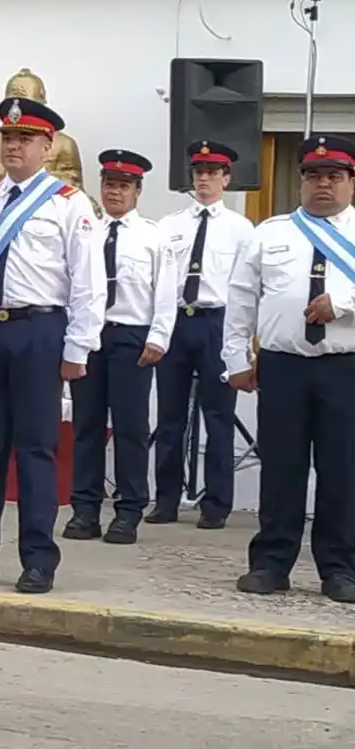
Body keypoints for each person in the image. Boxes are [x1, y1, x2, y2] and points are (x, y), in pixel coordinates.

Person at [0, 97, 103, 595]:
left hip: (39, 331)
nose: (13, 146)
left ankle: (37, 559)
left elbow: (88, 283)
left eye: (25, 139)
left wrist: (79, 348)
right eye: (8, 138)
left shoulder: (70, 203)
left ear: (47, 146)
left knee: (36, 448)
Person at [223, 135, 355, 604]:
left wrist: (340, 303)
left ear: (350, 182)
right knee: (281, 467)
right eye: (314, 176)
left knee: (343, 470)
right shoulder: (272, 232)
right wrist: (236, 358)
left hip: (345, 367)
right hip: (282, 366)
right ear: (301, 181)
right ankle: (271, 563)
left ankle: (340, 568)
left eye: (334, 176)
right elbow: (241, 299)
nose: (324, 184)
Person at [62, 150, 177, 545]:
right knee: (86, 427)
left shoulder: (153, 235)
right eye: (109, 184)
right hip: (90, 336)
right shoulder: (85, 230)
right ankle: (84, 509)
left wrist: (159, 337)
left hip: (132, 337)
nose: (115, 192)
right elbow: (70, 284)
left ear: (137, 192)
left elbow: (165, 291)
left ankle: (129, 511)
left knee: (130, 428)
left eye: (123, 186)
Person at [149, 141, 254, 529]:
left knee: (219, 416)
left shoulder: (242, 230)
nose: (204, 179)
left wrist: (243, 343)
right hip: (176, 321)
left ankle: (217, 504)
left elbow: (245, 290)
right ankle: (165, 499)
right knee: (170, 417)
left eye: (213, 172)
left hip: (217, 323)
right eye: (199, 172)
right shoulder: (170, 225)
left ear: (227, 178)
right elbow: (158, 281)